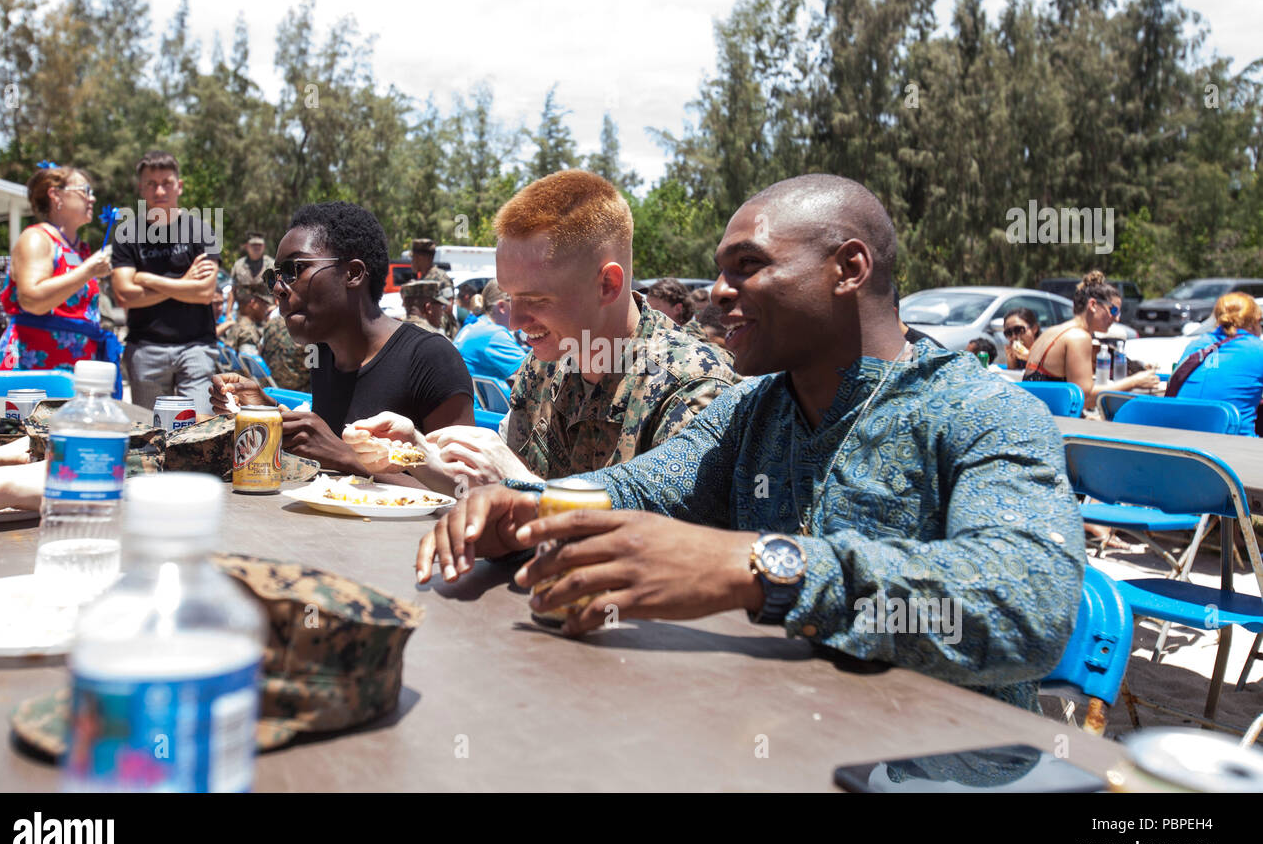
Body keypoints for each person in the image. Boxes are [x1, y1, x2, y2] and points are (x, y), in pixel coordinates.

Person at [417, 174, 1085, 711]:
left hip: (943, 761)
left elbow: (1028, 606)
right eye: (719, 270)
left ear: (848, 268)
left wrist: (762, 568)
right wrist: (530, 506)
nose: (717, 292)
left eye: (748, 266)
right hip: (767, 735)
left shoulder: (985, 413)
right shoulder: (751, 410)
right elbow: (639, 489)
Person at [357, 170, 737, 491]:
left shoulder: (692, 389)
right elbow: (498, 491)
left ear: (607, 285)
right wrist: (418, 454)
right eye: (509, 297)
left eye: (537, 300)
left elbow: (669, 549)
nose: (516, 322)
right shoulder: (544, 367)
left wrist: (527, 487)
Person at [209, 202, 473, 472]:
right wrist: (267, 411)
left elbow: (465, 491)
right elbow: (328, 445)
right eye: (273, 277)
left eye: (294, 270)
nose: (278, 288)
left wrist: (345, 455)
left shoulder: (430, 359)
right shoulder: (324, 354)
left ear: (354, 273)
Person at [110, 150, 219, 410]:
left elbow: (204, 292)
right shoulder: (127, 233)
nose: (159, 191)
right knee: (151, 436)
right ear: (141, 189)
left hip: (196, 348)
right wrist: (185, 283)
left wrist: (146, 278)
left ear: (179, 186)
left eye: (166, 183)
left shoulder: (201, 230)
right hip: (145, 349)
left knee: (199, 431)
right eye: (151, 184)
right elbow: (125, 295)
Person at [0, 165, 116, 373]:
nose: (92, 199)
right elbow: (32, 300)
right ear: (56, 195)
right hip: (33, 365)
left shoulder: (80, 249)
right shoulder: (36, 238)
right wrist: (88, 271)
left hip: (74, 368)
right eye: (85, 191)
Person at [1022, 270, 1158, 408]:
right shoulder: (1078, 337)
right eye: (1113, 311)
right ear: (1093, 305)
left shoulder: (1053, 331)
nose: (1117, 318)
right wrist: (1135, 382)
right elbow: (1084, 398)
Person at [1168, 292, 1263, 435]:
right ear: (1255, 321)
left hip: (1181, 444)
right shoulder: (1257, 349)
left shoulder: (1196, 344)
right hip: (1235, 448)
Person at [453, 279, 527, 382]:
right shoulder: (494, 334)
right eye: (519, 303)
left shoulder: (474, 326)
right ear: (501, 307)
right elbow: (533, 371)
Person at [410, 238, 457, 338]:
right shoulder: (423, 279)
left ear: (421, 258)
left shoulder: (441, 278)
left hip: (440, 334)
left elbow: (448, 308)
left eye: (413, 257)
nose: (412, 261)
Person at [226, 233, 273, 320]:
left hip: (267, 315)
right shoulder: (238, 265)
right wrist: (229, 313)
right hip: (243, 315)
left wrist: (276, 307)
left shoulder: (271, 265)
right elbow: (232, 291)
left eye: (259, 245)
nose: (257, 247)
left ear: (264, 246)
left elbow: (278, 288)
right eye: (253, 245)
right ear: (247, 246)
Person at [224, 279, 273, 353]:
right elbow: (247, 362)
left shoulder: (238, 324)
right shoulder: (247, 333)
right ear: (253, 303)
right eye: (264, 303)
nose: (267, 308)